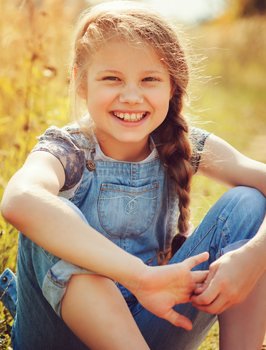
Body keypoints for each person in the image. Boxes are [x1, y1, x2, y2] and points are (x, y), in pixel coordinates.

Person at [0, 1, 265, 349]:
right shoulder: (68, 150)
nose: (130, 96)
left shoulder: (184, 144)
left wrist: (253, 256)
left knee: (248, 202)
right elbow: (19, 200)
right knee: (47, 217)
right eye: (112, 78)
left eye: (149, 79)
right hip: (57, 336)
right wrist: (140, 278)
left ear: (172, 86)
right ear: (81, 82)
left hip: (151, 327)